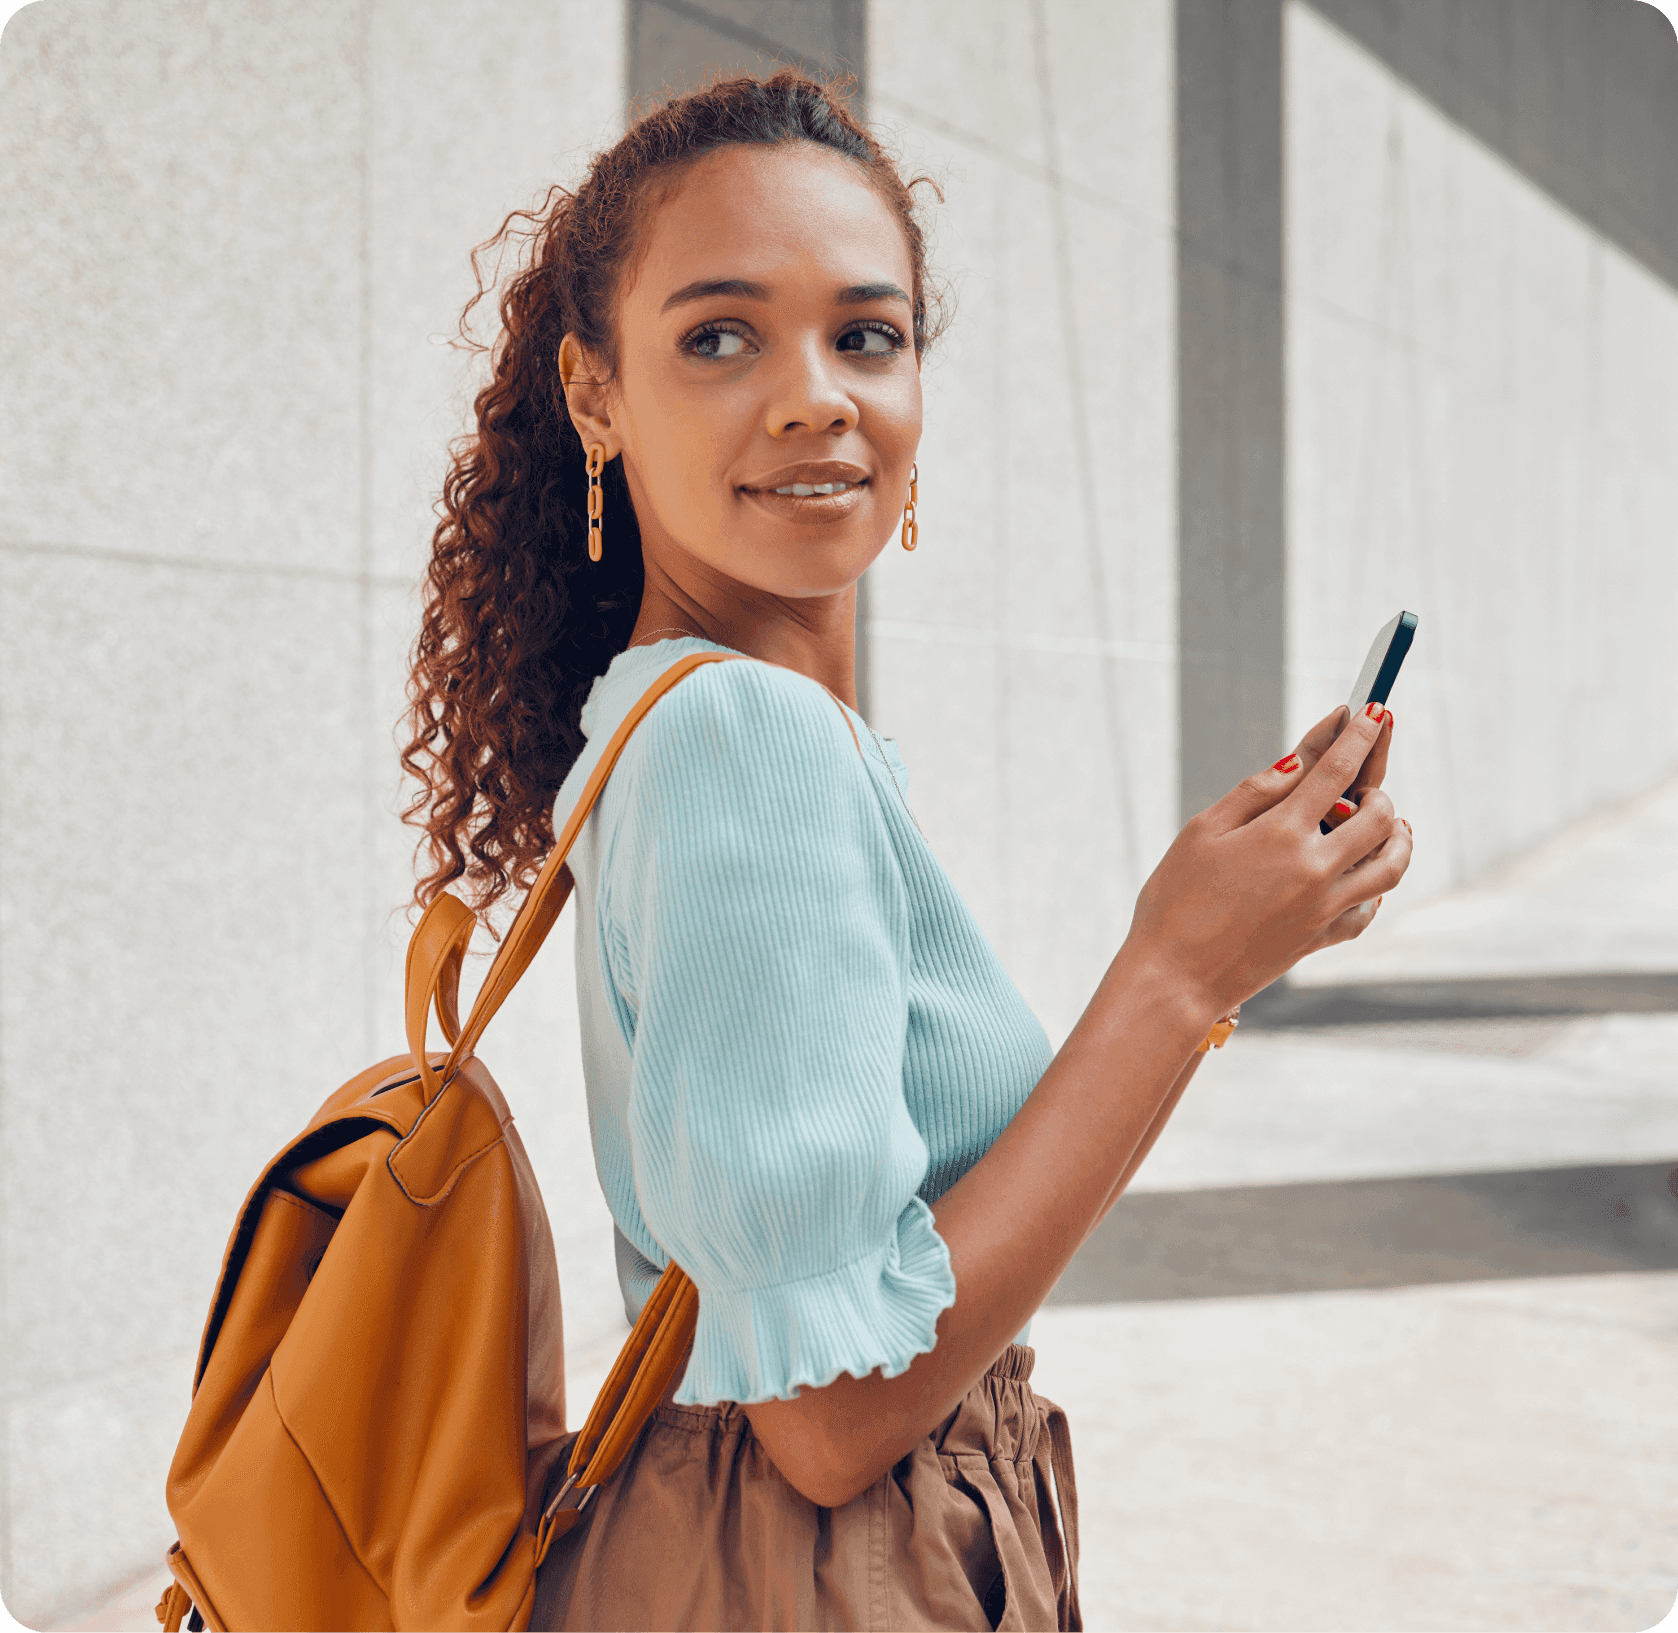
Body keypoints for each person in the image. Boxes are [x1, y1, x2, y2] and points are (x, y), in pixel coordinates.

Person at [400, 69, 1409, 1633]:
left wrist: (1207, 957)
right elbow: (830, 1419)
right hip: (821, 1570)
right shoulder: (744, 739)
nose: (813, 396)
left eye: (864, 336)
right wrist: (1177, 972)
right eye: (719, 338)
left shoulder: (691, 716)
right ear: (594, 395)